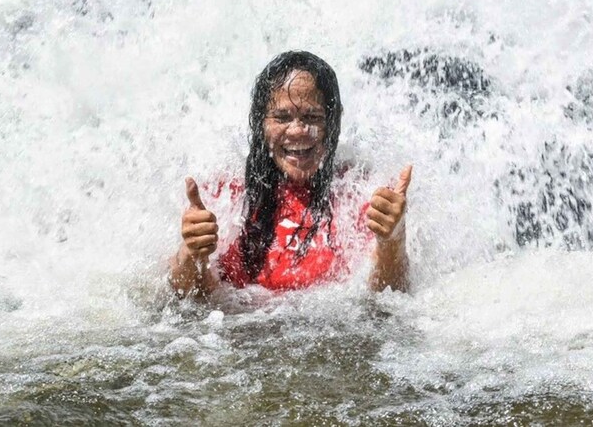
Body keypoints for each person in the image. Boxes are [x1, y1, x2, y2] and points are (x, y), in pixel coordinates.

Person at [169, 51, 412, 298]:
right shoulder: (227, 198)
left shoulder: (360, 197)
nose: (297, 131)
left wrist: (392, 241)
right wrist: (191, 254)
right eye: (282, 117)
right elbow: (184, 297)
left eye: (312, 117)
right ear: (260, 122)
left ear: (334, 120)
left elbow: (387, 300)